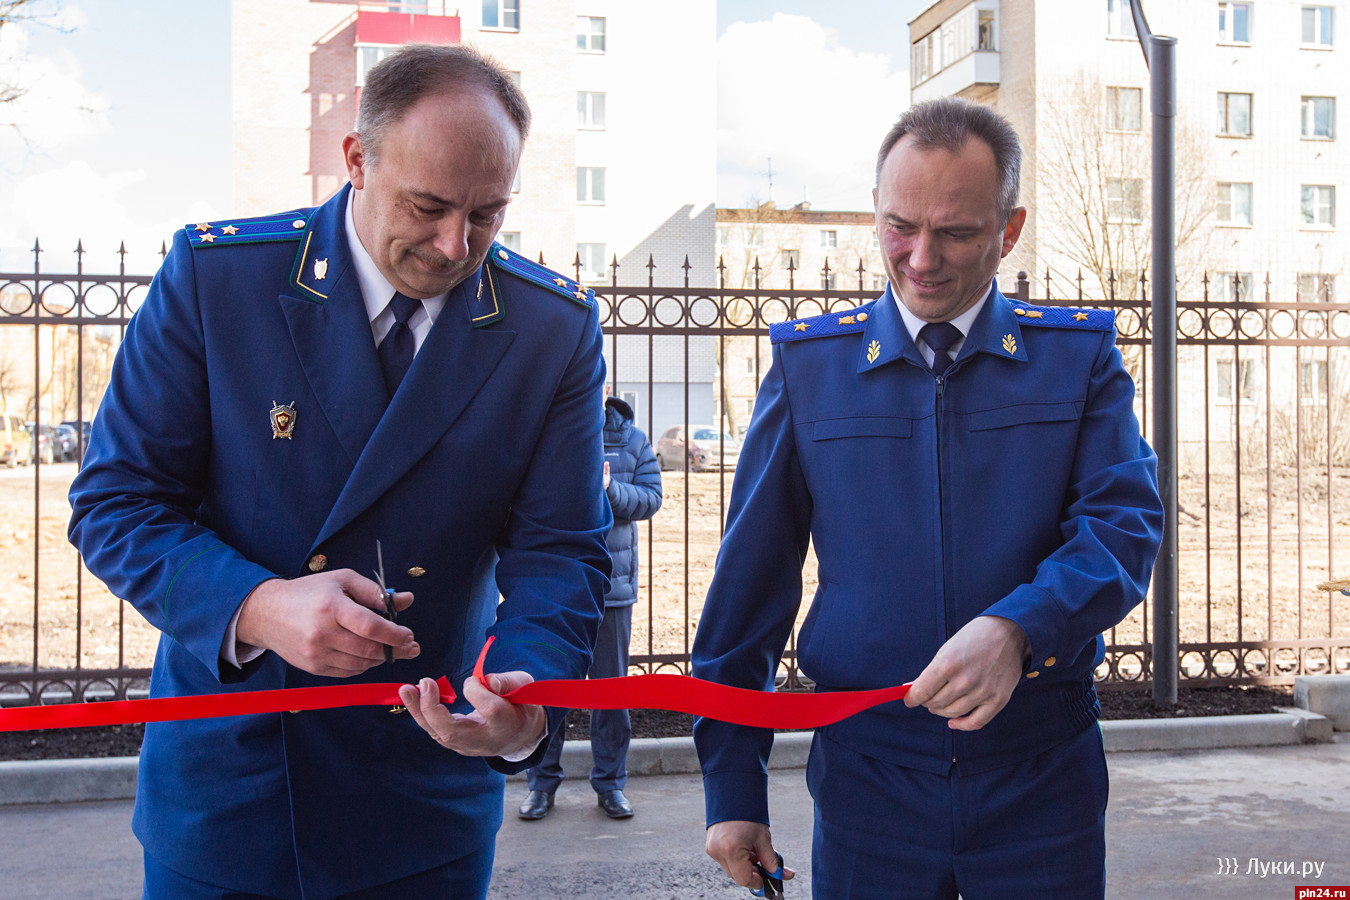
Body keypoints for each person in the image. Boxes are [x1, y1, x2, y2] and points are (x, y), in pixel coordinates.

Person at [67, 44, 612, 900]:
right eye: (427, 206)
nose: (454, 245)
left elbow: (563, 549)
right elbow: (116, 505)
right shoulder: (219, 279)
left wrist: (523, 695)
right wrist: (260, 606)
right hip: (232, 786)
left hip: (424, 790)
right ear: (357, 159)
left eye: (488, 214)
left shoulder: (551, 329)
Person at [691, 97, 1164, 899]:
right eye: (899, 226)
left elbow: (1122, 528)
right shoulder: (812, 371)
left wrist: (1019, 629)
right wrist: (734, 793)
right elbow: (749, 593)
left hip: (1040, 783)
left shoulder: (1075, 359)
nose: (920, 257)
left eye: (956, 232)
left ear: (1008, 232)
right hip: (867, 787)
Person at [518, 386, 663, 821]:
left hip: (612, 588)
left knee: (611, 692)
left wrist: (610, 489)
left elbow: (651, 498)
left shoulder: (631, 440)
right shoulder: (548, 428)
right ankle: (541, 784)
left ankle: (610, 784)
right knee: (549, 689)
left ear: (604, 388)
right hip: (557, 586)